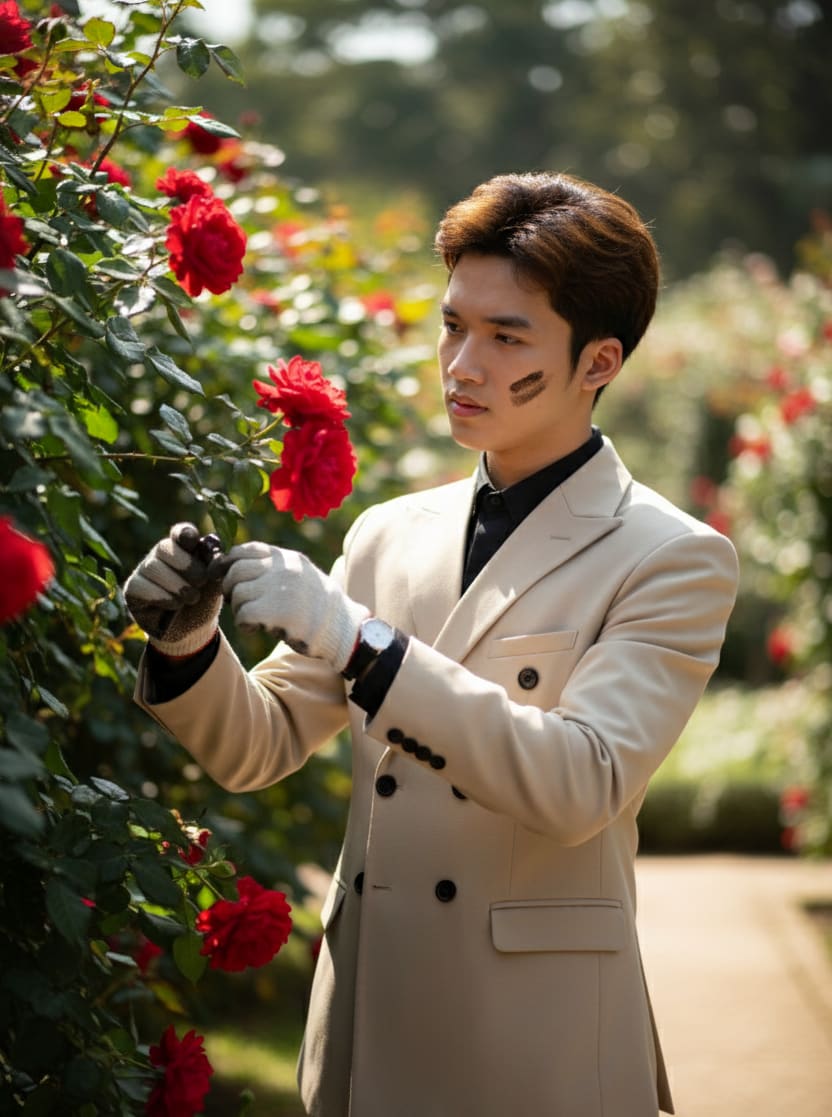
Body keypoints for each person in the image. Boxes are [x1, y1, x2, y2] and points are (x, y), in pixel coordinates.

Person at [125, 171, 739, 1117]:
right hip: (374, 1024)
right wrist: (191, 644)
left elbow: (580, 783)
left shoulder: (671, 555)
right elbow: (260, 744)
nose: (462, 364)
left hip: (541, 1045)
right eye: (454, 326)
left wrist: (357, 640)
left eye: (507, 337)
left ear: (599, 361)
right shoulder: (390, 532)